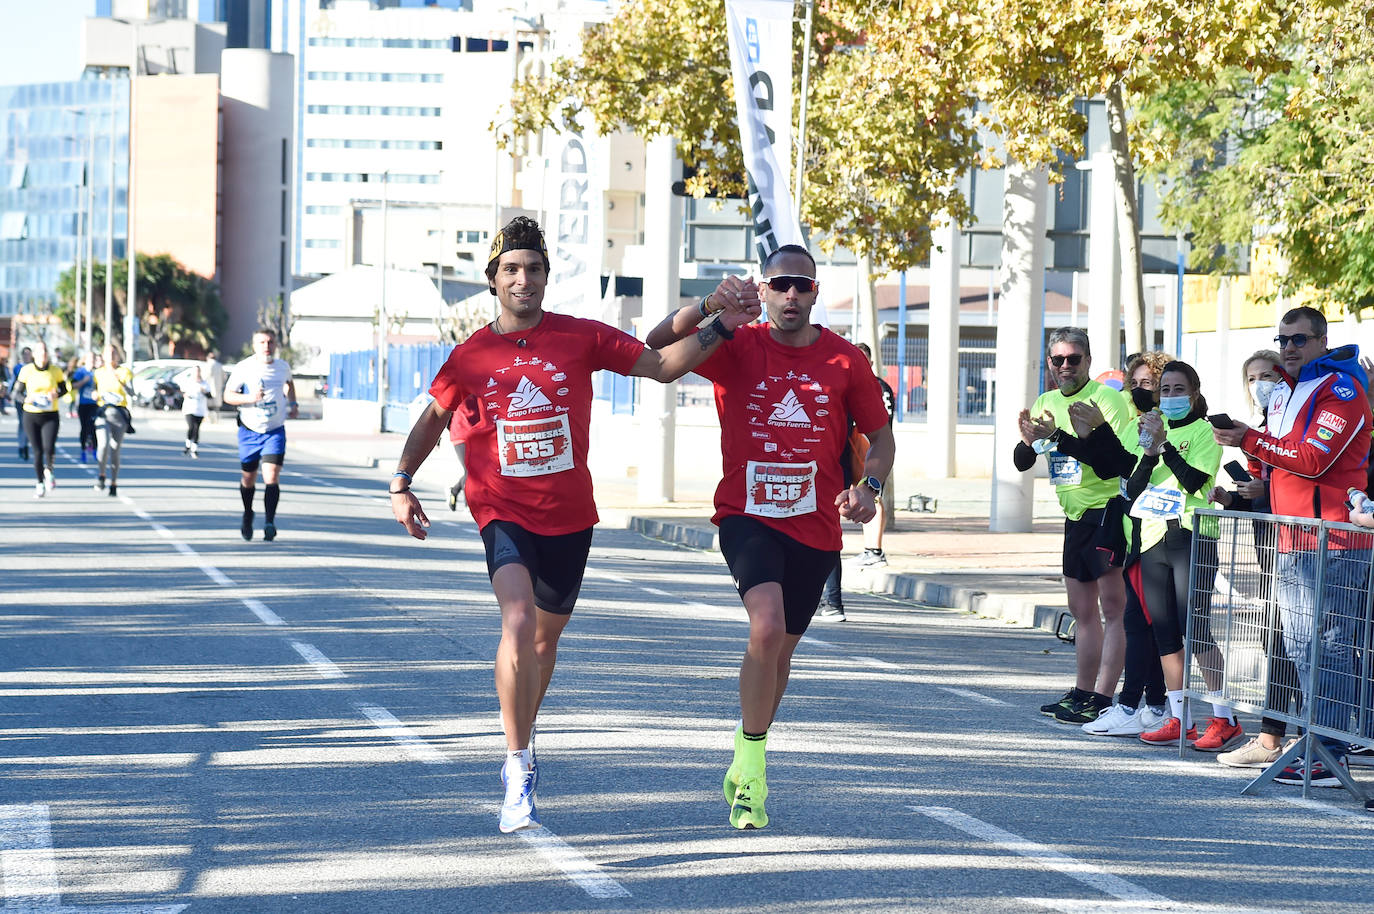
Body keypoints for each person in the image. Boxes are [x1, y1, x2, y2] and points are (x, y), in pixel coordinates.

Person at [388, 216, 759, 834]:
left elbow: (662, 365)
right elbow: (433, 417)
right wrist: (402, 482)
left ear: (545, 278)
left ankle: (524, 735)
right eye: (511, 270)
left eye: (533, 269)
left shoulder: (581, 337)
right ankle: (516, 764)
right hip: (501, 508)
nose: (523, 280)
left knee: (542, 642)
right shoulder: (471, 354)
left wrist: (719, 321)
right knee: (516, 621)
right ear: (493, 281)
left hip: (569, 517)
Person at [646, 242, 895, 830]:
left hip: (813, 526)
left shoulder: (842, 360)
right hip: (747, 516)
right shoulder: (735, 342)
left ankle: (745, 743)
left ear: (815, 293)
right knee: (764, 625)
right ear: (763, 290)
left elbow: (880, 438)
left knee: (779, 653)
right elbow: (655, 346)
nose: (790, 295)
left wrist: (870, 487)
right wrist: (707, 306)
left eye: (801, 286)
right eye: (779, 284)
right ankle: (754, 772)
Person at [1212, 306, 1371, 787]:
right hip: (1290, 537)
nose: (1288, 349)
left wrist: (1252, 441)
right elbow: (1277, 460)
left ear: (1322, 340)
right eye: (1282, 340)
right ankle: (1317, 742)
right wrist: (1251, 464)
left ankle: (1333, 747)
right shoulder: (1283, 388)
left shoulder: (1342, 390)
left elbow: (1314, 460)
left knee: (1333, 646)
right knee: (1303, 648)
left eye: (1298, 341)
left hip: (1335, 539)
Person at [1014, 327, 1132, 725]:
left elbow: (1110, 461)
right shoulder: (1046, 401)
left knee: (1113, 609)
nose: (1065, 367)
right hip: (1074, 514)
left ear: (1088, 361)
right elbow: (1023, 461)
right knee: (1081, 611)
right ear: (1049, 363)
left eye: (1073, 359)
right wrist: (1028, 441)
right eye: (1058, 360)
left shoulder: (1107, 400)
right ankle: (1081, 691)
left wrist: (1061, 437)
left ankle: (1103, 696)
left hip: (1106, 510)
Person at [1059, 350, 1171, 734]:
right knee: (1138, 622)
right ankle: (1141, 705)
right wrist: (1064, 437)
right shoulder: (1131, 423)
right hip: (1131, 531)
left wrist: (1099, 432)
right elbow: (1112, 465)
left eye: (1151, 385)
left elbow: (1141, 468)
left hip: (1166, 535)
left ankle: (1156, 706)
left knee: (1162, 627)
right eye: (1135, 384)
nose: (1142, 391)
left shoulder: (1176, 426)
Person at [1209, 351, 1303, 768]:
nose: (1260, 383)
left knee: (1299, 643)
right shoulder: (1258, 430)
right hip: (1267, 548)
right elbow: (1259, 495)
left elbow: (1298, 480)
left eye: (1269, 375)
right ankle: (1273, 737)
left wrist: (1263, 493)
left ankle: (1295, 738)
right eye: (1252, 378)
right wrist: (1232, 498)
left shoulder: (1292, 426)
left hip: (1300, 547)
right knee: (1274, 639)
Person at [223, 329, 299, 542]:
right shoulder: (244, 367)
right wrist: (249, 398)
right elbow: (228, 395)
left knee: (271, 476)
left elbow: (290, 384)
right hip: (249, 429)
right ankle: (248, 513)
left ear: (275, 345)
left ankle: (269, 522)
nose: (267, 346)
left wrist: (292, 403)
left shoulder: (282, 367)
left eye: (270, 342)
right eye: (262, 342)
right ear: (254, 345)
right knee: (248, 478)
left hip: (274, 430)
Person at [13, 341, 67, 497]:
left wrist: (56, 394)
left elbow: (64, 389)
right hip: (31, 415)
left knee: (49, 447)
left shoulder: (55, 371)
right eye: (39, 351)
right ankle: (39, 482)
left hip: (50, 414)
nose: (42, 354)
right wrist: (26, 399)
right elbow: (15, 394)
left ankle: (49, 471)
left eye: (45, 351)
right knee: (37, 451)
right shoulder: (26, 370)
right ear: (34, 354)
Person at [93, 344, 135, 496]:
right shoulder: (98, 373)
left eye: (113, 353)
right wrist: (94, 395)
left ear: (118, 355)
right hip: (103, 412)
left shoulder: (124, 372)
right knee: (103, 445)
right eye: (108, 353)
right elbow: (93, 389)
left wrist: (122, 383)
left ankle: (114, 483)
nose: (111, 356)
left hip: (119, 415)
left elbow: (132, 393)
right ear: (103, 356)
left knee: (115, 449)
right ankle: (101, 475)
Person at [446, 395, 477, 512]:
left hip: (477, 435)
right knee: (469, 470)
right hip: (461, 434)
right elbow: (442, 412)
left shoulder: (483, 386)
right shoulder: (459, 386)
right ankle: (468, 504)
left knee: (476, 470)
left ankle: (454, 490)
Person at [70, 352, 98, 463]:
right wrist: (83, 381)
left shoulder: (98, 372)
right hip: (83, 404)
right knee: (85, 428)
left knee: (94, 427)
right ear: (85, 360)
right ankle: (83, 450)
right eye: (90, 358)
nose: (92, 361)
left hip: (95, 404)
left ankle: (95, 450)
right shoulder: (81, 371)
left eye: (94, 358)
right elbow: (73, 385)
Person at [180, 365, 211, 458]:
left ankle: (194, 449)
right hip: (189, 408)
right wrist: (184, 395)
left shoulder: (204, 383)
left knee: (197, 428)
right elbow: (182, 391)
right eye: (195, 371)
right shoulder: (188, 382)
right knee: (191, 427)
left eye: (198, 371)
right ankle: (187, 445)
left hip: (200, 409)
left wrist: (204, 391)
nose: (196, 373)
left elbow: (210, 396)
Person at [13, 346, 33, 460]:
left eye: (28, 354)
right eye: (24, 354)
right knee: (22, 423)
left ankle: (26, 445)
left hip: (32, 400)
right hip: (20, 399)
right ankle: (22, 446)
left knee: (30, 425)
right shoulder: (18, 367)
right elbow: (14, 381)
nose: (26, 356)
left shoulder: (35, 368)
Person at [204, 351, 226, 423]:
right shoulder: (219, 365)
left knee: (208, 405)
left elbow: (205, 377)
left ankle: (209, 419)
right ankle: (216, 418)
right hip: (218, 388)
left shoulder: (208, 365)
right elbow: (224, 377)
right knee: (216, 406)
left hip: (209, 388)